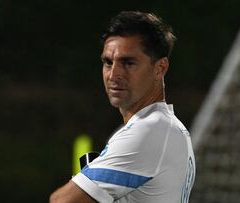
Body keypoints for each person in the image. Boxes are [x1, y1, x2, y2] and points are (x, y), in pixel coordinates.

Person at [50, 11, 195, 203]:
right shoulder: (168, 127)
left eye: (128, 63)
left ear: (160, 68)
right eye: (108, 62)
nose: (113, 74)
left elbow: (62, 201)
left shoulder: (151, 129)